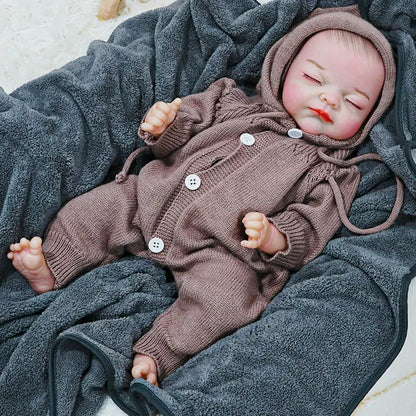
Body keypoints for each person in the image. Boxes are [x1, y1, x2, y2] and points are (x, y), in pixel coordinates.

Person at [7, 7, 401, 387]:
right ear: (282, 68)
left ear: (369, 118)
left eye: (353, 102)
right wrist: (166, 126)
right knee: (96, 209)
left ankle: (159, 353)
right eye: (315, 79)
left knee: (229, 299)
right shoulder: (230, 102)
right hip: (150, 198)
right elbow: (180, 131)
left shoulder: (331, 173)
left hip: (220, 252)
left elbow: (313, 226)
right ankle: (54, 263)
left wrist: (276, 238)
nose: (329, 99)